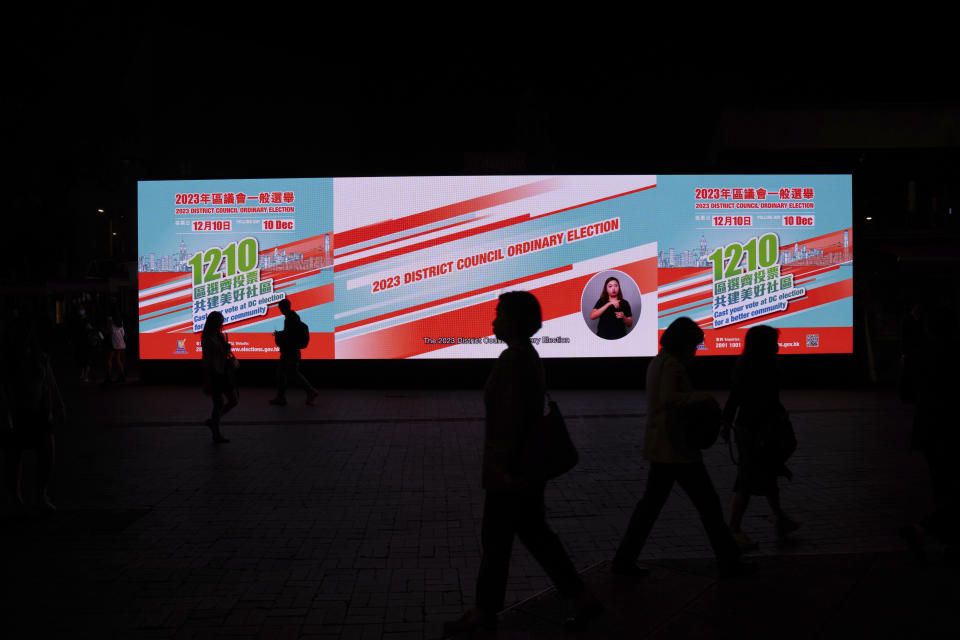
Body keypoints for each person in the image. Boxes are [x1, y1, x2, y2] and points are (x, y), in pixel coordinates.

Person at [444, 291, 602, 636]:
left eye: (499, 313)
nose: (494, 320)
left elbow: (509, 421)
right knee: (535, 535)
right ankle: (580, 597)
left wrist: (501, 467)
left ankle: (484, 613)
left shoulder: (512, 360)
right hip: (527, 467)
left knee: (497, 540)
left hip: (511, 471)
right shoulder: (528, 355)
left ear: (514, 320)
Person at [611, 317, 753, 578]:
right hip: (677, 450)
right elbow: (670, 399)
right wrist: (705, 397)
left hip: (663, 448)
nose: (695, 352)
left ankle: (623, 561)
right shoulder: (673, 367)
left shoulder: (659, 360)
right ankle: (729, 560)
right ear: (684, 343)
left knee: (650, 508)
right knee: (707, 505)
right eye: (694, 346)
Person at [721, 325, 800, 550]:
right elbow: (765, 401)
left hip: (749, 429)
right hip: (758, 432)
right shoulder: (767, 369)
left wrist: (726, 425)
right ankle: (734, 529)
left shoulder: (744, 367)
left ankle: (780, 519)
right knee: (747, 480)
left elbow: (733, 400)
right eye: (774, 341)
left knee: (765, 474)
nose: (778, 345)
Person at [899, 304, 959, 563]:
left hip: (928, 428)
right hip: (953, 426)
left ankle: (944, 539)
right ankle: (928, 531)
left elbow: (906, 395)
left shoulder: (916, 355)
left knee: (942, 486)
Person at [2, 326, 64, 510]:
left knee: (43, 451)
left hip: (36, 412)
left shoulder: (39, 359)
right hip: (18, 412)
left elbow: (50, 383)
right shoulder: (11, 362)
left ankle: (36, 494)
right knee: (15, 456)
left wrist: (57, 405)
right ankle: (20, 497)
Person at [269, 299, 318, 406]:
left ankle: (309, 391)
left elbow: (289, 336)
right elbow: (290, 334)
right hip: (292, 351)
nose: (280, 310)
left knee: (285, 373)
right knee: (289, 372)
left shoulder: (290, 319)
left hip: (289, 352)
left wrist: (279, 336)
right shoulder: (293, 318)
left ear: (283, 308)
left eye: (280, 308)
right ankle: (308, 391)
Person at [200, 311, 235, 444]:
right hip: (215, 374)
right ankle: (216, 432)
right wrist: (207, 379)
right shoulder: (208, 338)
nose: (221, 324)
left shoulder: (218, 336)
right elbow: (206, 361)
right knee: (219, 403)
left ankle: (213, 422)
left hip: (223, 372)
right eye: (219, 321)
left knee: (233, 400)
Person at [104, 315, 126, 384]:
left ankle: (108, 377)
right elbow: (123, 334)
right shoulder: (121, 325)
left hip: (112, 343)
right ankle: (122, 376)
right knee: (118, 359)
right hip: (120, 344)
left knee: (109, 359)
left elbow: (108, 333)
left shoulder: (111, 325)